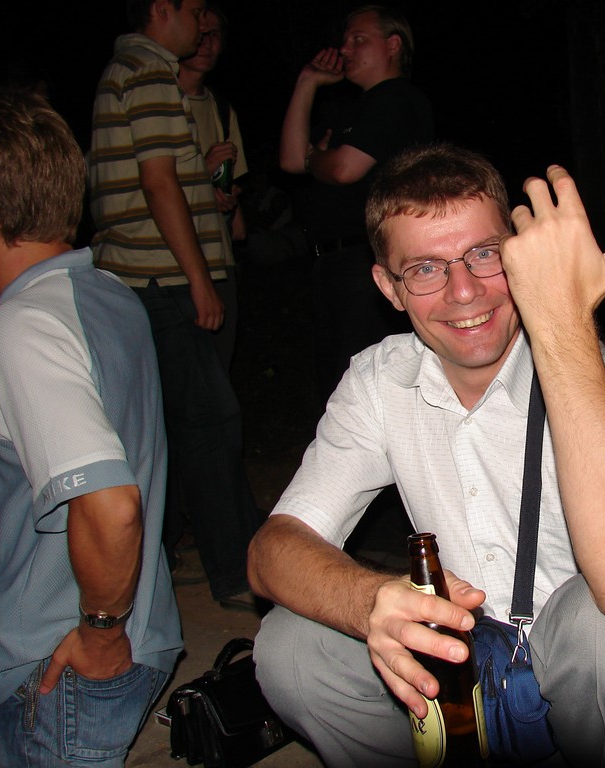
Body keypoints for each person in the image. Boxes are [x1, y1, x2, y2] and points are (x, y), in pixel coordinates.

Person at [247, 143, 605, 767]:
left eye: (484, 254)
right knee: (292, 646)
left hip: (573, 665)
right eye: (425, 269)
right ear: (389, 288)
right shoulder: (380, 380)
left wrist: (562, 319)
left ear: (520, 256)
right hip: (450, 669)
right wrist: (372, 601)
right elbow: (272, 551)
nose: (463, 291)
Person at [0, 87, 182, 766]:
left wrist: (101, 630)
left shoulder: (24, 326)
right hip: (143, 632)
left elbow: (110, 503)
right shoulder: (109, 295)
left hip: (59, 666)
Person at [88, 0, 265, 610]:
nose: (202, 24)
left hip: (144, 277)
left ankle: (160, 559)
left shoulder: (129, 69)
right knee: (210, 422)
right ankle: (237, 573)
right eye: (194, 10)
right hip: (159, 279)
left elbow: (169, 180)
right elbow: (158, 181)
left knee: (167, 423)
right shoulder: (149, 70)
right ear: (162, 8)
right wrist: (197, 280)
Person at [279, 4, 434, 400]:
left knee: (362, 387)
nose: (345, 49)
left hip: (367, 263)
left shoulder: (395, 99)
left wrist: (317, 158)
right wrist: (307, 82)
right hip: (334, 264)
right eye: (345, 41)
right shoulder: (355, 109)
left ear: (393, 45)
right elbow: (292, 160)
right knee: (338, 382)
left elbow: (343, 168)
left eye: (358, 40)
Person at [177, 1, 248, 373]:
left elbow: (230, 186)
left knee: (217, 372)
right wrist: (201, 170)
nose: (206, 43)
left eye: (215, 35)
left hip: (218, 259)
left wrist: (228, 200)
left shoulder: (221, 109)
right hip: (169, 266)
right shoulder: (157, 101)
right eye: (200, 33)